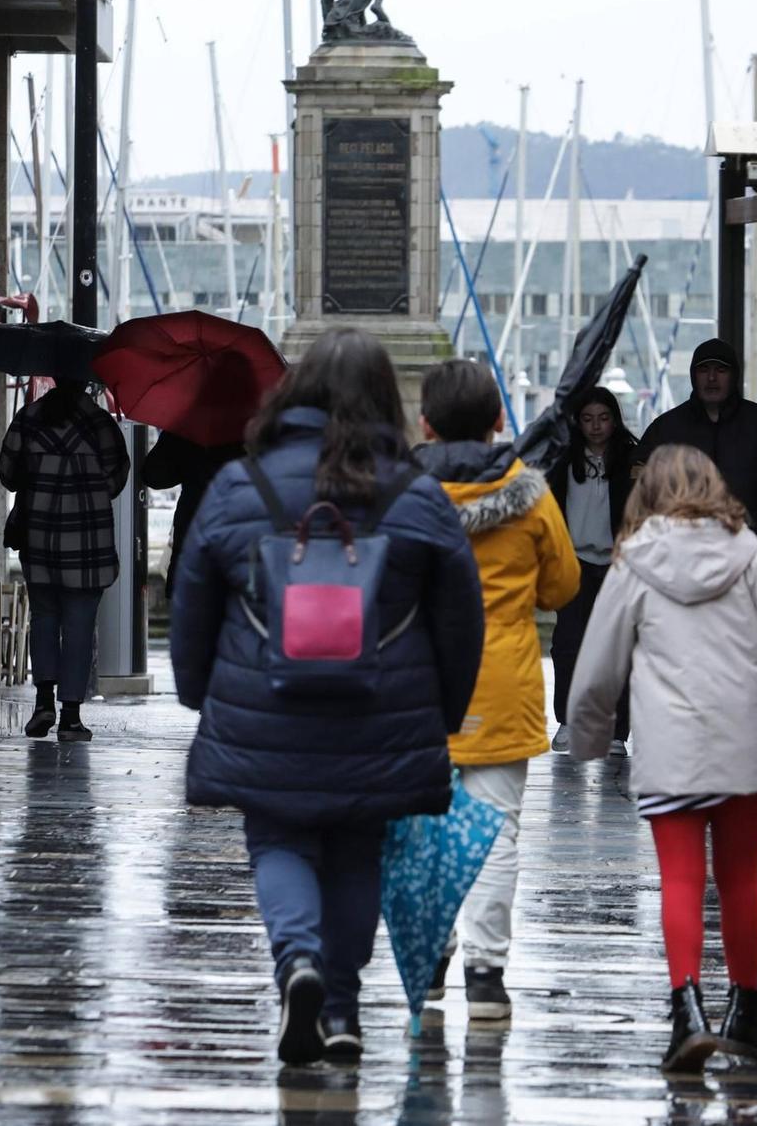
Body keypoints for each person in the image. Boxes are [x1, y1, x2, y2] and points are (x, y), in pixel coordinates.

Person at [170, 327, 485, 1065]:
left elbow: (192, 597)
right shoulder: (416, 493)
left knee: (278, 834)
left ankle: (298, 963)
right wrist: (441, 711)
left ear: (296, 390)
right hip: (380, 715)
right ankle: (340, 1008)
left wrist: (200, 693)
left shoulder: (242, 484)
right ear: (385, 398)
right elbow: (459, 613)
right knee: (355, 850)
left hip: (265, 709)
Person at [567, 445, 757, 1074]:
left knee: (680, 879)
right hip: (742, 747)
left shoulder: (634, 562)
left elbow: (598, 666)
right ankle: (747, 1014)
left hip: (669, 748)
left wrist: (587, 741)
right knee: (740, 880)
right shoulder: (749, 553)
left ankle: (687, 1014)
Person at [415, 359, 581, 1023]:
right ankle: (486, 975)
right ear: (496, 423)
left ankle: (428, 958)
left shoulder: (404, 495)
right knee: (496, 832)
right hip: (503, 678)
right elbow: (563, 586)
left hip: (420, 687)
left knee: (425, 831)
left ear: (424, 424)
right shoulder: (530, 494)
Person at [0, 377, 130, 743]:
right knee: (79, 626)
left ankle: (43, 703)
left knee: (43, 618)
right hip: (88, 542)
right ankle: (70, 716)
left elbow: (7, 475)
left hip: (39, 539)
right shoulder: (101, 424)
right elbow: (117, 478)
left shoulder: (28, 419)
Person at [546, 386, 638, 753]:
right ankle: (569, 722)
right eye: (588, 419)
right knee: (567, 645)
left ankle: (616, 731)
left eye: (603, 418)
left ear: (614, 420)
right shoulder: (564, 460)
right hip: (574, 562)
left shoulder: (632, 460)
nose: (596, 426)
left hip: (617, 562)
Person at [635, 338, 757, 546]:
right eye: (704, 370)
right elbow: (640, 495)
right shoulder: (666, 429)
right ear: (693, 375)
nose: (711, 378)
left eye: (721, 370)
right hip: (682, 552)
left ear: (734, 375)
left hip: (746, 549)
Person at [143, 431, 247, 599]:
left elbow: (154, 475)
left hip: (192, 537)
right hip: (239, 544)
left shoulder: (187, 426)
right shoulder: (254, 425)